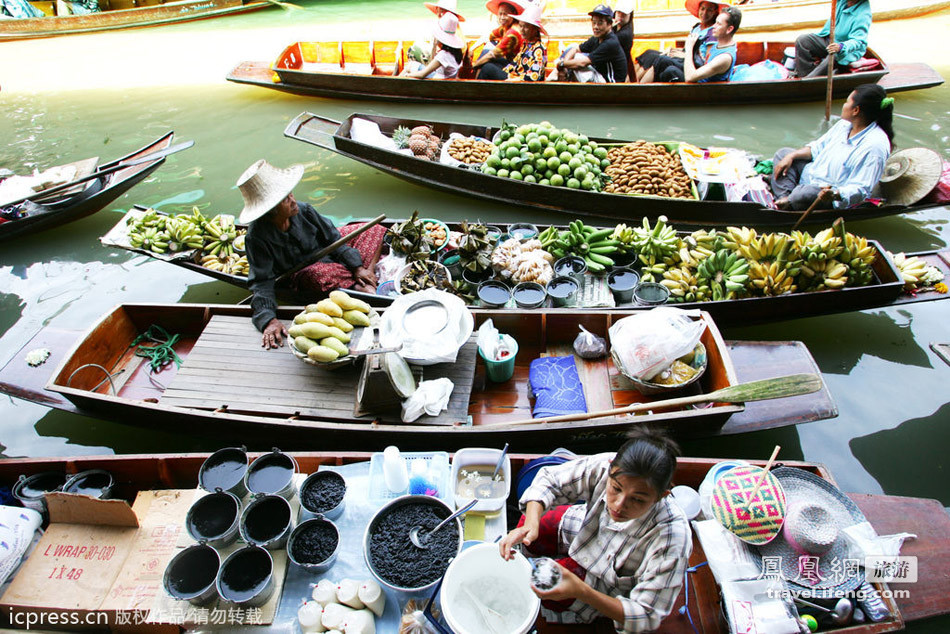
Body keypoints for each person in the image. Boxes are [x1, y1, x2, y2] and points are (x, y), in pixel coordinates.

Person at [499, 428, 691, 631]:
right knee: (528, 524)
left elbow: (646, 615)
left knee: (549, 593)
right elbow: (550, 480)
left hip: (603, 583)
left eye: (637, 499)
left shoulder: (672, 537)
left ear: (662, 496)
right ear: (610, 469)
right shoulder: (606, 466)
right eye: (615, 488)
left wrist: (581, 591)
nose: (618, 504)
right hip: (580, 530)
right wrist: (531, 524)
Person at [238, 160, 381, 349]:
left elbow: (333, 240)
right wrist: (268, 320)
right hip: (302, 274)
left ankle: (362, 277)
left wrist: (357, 267)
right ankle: (360, 286)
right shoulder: (256, 237)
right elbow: (262, 283)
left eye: (291, 195)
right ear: (272, 211)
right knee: (318, 275)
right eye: (286, 200)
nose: (293, 201)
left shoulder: (304, 210)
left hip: (327, 254)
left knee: (373, 229)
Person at [771, 84, 893, 210]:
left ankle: (789, 201)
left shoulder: (875, 146)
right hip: (811, 177)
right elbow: (816, 148)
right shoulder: (844, 125)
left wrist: (835, 194)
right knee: (783, 154)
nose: (843, 106)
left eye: (846, 102)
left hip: (829, 195)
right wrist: (791, 156)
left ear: (855, 110)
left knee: (803, 195)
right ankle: (784, 198)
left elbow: (860, 189)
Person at [635, 0, 723, 83]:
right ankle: (631, 83)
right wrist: (673, 49)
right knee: (649, 54)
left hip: (694, 66)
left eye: (709, 10)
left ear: (715, 12)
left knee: (661, 60)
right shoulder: (697, 27)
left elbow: (707, 61)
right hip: (685, 57)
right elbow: (688, 48)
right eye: (702, 9)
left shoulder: (712, 32)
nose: (704, 13)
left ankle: (640, 89)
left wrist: (685, 56)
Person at [551, 4, 627, 83]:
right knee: (572, 47)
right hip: (600, 76)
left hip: (611, 85)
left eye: (600, 23)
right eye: (594, 23)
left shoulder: (611, 42)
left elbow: (582, 63)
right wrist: (564, 66)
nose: (595, 27)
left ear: (609, 24)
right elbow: (576, 48)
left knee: (578, 59)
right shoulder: (596, 38)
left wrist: (562, 64)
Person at [793, 0, 870, 78]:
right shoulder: (842, 1)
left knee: (833, 56)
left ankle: (809, 81)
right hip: (830, 39)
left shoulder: (863, 15)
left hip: (847, 50)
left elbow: (858, 41)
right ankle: (804, 76)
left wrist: (841, 47)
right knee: (803, 40)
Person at [481, 3, 548, 81]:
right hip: (514, 79)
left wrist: (512, 79)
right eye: (521, 26)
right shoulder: (526, 44)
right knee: (489, 64)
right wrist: (504, 72)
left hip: (522, 86)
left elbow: (534, 77)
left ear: (534, 30)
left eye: (526, 27)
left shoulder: (539, 49)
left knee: (488, 68)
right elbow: (514, 64)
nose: (522, 30)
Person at [680, 5, 740, 82]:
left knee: (670, 71)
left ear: (729, 29)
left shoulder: (724, 58)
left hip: (702, 89)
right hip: (697, 80)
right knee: (664, 62)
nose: (714, 26)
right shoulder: (718, 44)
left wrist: (689, 48)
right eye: (715, 22)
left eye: (718, 24)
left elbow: (690, 78)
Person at [471, 0, 525, 80]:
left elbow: (491, 55)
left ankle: (475, 85)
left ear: (513, 15)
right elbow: (489, 36)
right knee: (485, 53)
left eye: (505, 14)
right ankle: (476, 83)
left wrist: (474, 66)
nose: (502, 17)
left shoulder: (512, 33)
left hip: (515, 69)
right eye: (500, 14)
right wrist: (473, 48)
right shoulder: (505, 27)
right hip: (510, 63)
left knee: (487, 66)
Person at [402, 12, 465, 79]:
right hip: (443, 79)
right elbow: (433, 63)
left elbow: (422, 74)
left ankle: (394, 81)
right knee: (412, 65)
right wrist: (434, 46)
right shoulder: (457, 53)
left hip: (438, 80)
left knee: (410, 65)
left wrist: (406, 75)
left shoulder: (443, 55)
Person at [613, 0, 634, 81]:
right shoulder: (616, 26)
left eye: (624, 14)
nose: (620, 16)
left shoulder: (625, 34)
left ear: (630, 16)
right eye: (618, 13)